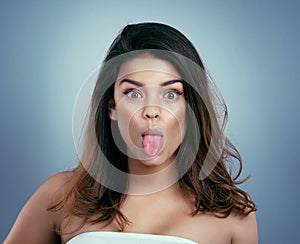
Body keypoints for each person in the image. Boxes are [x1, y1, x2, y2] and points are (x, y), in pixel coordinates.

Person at [4, 22, 258, 244]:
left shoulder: (234, 214)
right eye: (133, 93)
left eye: (171, 94)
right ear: (112, 107)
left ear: (190, 108)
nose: (151, 111)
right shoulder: (61, 195)